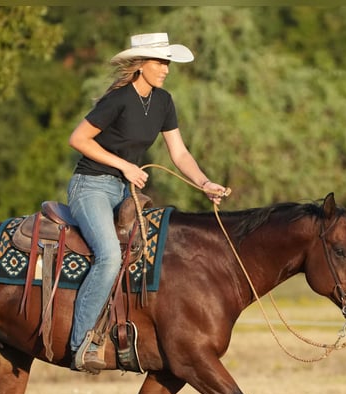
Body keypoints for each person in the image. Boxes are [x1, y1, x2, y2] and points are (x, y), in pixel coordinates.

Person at [67, 32, 227, 374]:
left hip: (125, 192)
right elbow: (78, 139)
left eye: (167, 62)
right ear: (140, 64)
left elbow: (180, 153)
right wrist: (125, 165)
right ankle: (81, 343)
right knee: (110, 256)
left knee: (156, 256)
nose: (166, 69)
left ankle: (129, 333)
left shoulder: (164, 102)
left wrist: (204, 183)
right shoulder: (119, 100)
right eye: (159, 61)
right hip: (91, 187)